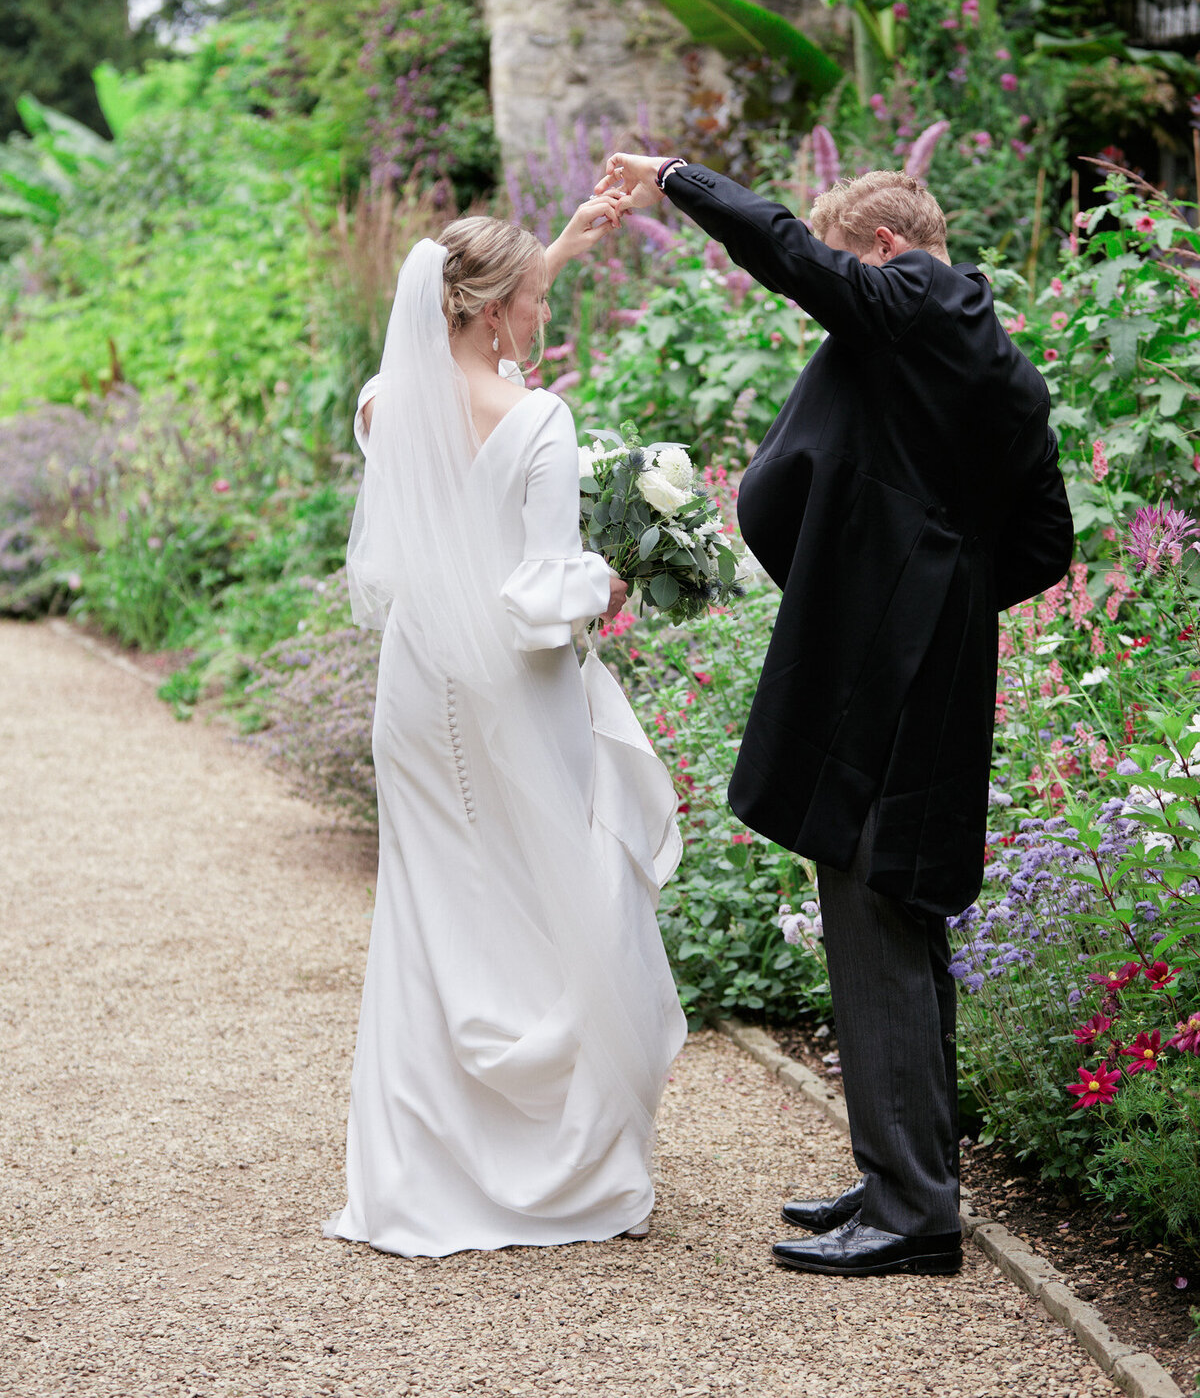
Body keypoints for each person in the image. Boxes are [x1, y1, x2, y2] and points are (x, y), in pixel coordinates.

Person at [598, 153, 1074, 1278]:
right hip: (930, 648)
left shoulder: (929, 299)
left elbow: (794, 261)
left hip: (891, 660)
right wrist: (946, 589)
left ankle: (914, 1216)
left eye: (849, 268)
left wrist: (680, 178)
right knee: (893, 902)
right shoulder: (996, 364)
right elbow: (1045, 544)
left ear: (884, 252)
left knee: (871, 899)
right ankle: (906, 1176)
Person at [325, 197, 687, 1258]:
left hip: (419, 685)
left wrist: (559, 247)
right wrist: (614, 580)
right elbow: (542, 597)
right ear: (492, 313)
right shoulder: (542, 421)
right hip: (513, 687)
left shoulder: (385, 403)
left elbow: (468, 369)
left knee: (432, 906)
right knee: (556, 891)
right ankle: (559, 1164)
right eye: (534, 301)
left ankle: (419, 1171)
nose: (543, 315)